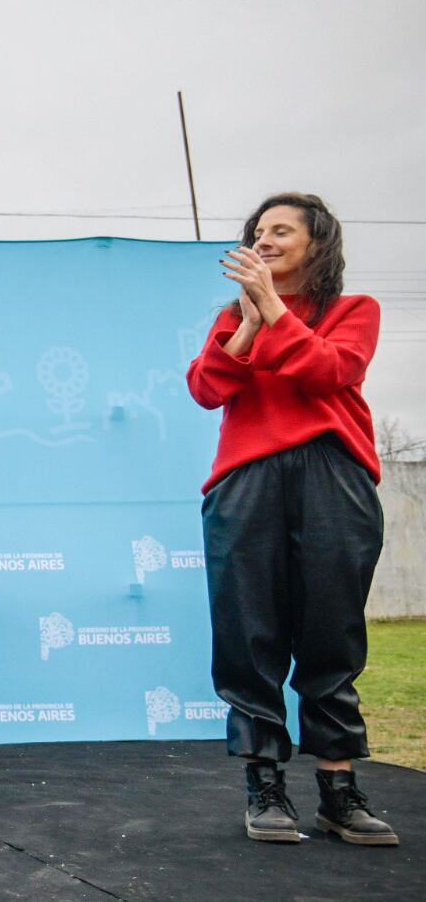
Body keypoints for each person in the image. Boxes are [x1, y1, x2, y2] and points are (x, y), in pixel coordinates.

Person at [186, 192, 397, 847]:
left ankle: (339, 790)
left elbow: (328, 371)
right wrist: (247, 323)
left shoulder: (352, 310)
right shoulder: (232, 316)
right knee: (250, 636)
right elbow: (206, 388)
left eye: (282, 231)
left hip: (333, 475)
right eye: (259, 232)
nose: (266, 240)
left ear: (316, 244)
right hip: (245, 482)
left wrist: (274, 311)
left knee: (331, 631)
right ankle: (265, 786)